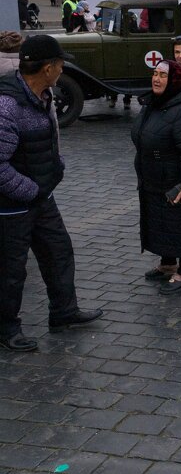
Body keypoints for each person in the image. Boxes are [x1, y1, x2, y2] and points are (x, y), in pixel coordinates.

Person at [0, 35, 102, 351]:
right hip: (13, 205)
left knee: (59, 251)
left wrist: (54, 170)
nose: (62, 70)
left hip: (41, 197)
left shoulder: (42, 94)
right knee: (10, 271)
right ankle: (6, 329)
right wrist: (29, 190)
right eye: (60, 65)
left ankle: (64, 312)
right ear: (47, 68)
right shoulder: (7, 105)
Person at [133, 59, 181, 295]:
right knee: (162, 221)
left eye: (163, 76)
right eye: (155, 74)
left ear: (175, 80)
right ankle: (168, 265)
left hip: (179, 180)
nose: (156, 79)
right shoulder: (154, 103)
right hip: (156, 177)